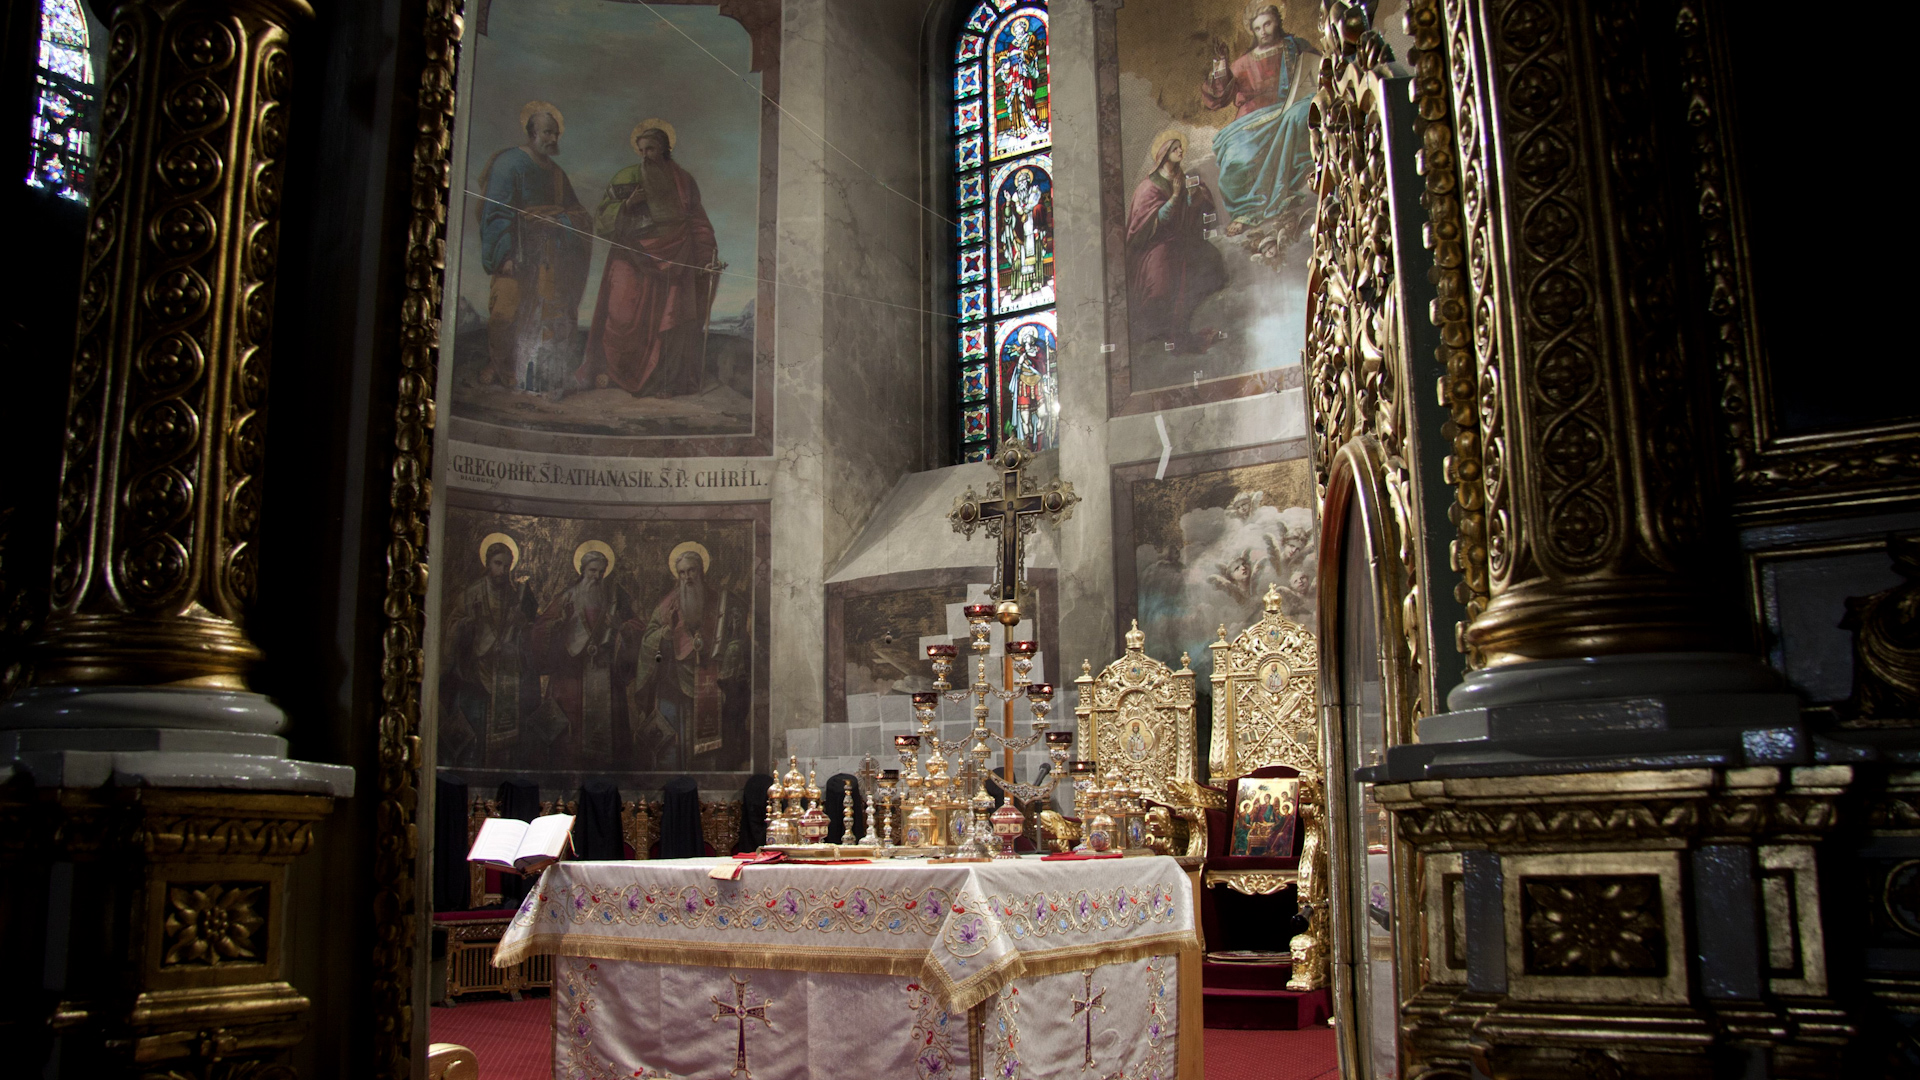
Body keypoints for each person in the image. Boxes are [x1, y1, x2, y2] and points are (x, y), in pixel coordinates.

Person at [576, 120, 721, 398]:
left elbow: (698, 222)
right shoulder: (626, 176)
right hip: (631, 256)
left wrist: (706, 256)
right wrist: (627, 205)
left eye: (651, 149)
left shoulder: (684, 181)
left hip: (675, 258)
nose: (645, 155)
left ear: (665, 149)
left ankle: (660, 382)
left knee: (671, 319)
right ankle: (618, 374)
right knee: (621, 313)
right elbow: (602, 217)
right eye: (641, 150)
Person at [474, 101, 592, 392]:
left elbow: (578, 213)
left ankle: (541, 373)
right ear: (532, 132)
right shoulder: (509, 163)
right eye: (548, 132)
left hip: (550, 255)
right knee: (505, 313)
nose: (553, 139)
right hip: (516, 251)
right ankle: (501, 365)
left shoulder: (557, 174)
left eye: (556, 134)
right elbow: (496, 211)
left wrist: (560, 221)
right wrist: (506, 255)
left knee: (551, 315)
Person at [1201, 4, 1321, 235]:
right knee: (1237, 159)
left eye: (1267, 23)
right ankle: (1246, 211)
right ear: (1252, 32)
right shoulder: (1244, 62)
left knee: (1299, 115)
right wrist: (1222, 65)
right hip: (1251, 121)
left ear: (1278, 21)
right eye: (1257, 28)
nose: (1263, 31)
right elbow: (1217, 97)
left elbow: (1320, 70)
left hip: (1288, 109)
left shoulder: (1296, 47)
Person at [633, 543, 747, 770]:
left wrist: (732, 642)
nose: (687, 577)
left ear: (701, 570)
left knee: (707, 737)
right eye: (682, 573)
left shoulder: (720, 601)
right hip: (674, 680)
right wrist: (663, 634)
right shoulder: (668, 604)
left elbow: (736, 637)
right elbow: (648, 639)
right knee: (674, 734)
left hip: (710, 680)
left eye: (691, 570)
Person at [530, 543, 639, 765]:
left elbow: (637, 626)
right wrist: (559, 624)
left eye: (601, 571)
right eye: (592, 570)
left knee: (609, 731)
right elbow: (541, 627)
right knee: (571, 731)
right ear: (582, 569)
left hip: (606, 673)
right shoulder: (567, 596)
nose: (597, 576)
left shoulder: (616, 596)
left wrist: (621, 627)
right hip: (572, 674)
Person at [1125, 131, 1227, 354]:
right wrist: (1175, 196)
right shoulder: (1148, 187)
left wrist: (1193, 196)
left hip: (1182, 239)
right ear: (1163, 154)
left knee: (1211, 261)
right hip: (1156, 244)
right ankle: (1157, 329)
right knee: (1162, 280)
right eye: (1175, 148)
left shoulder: (1183, 176)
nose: (1181, 151)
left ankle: (1190, 312)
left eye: (1181, 147)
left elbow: (1190, 213)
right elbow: (1150, 223)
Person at [442, 536, 537, 767]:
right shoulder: (470, 594)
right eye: (497, 563)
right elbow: (453, 627)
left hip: (505, 675)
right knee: (474, 728)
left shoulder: (517, 596)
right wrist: (467, 624)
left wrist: (522, 622)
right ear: (488, 563)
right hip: (474, 674)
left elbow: (528, 634)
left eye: (507, 565)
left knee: (506, 740)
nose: (502, 570)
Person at [998, 167, 1050, 304]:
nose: (1022, 184)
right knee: (1018, 262)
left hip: (1033, 233)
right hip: (1019, 236)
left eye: (1024, 181)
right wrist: (1008, 202)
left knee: (1036, 257)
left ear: (1028, 182)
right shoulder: (1015, 201)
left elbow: (1040, 211)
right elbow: (1008, 218)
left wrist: (1037, 225)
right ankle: (1018, 289)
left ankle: (1037, 283)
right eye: (1020, 182)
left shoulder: (1035, 195)